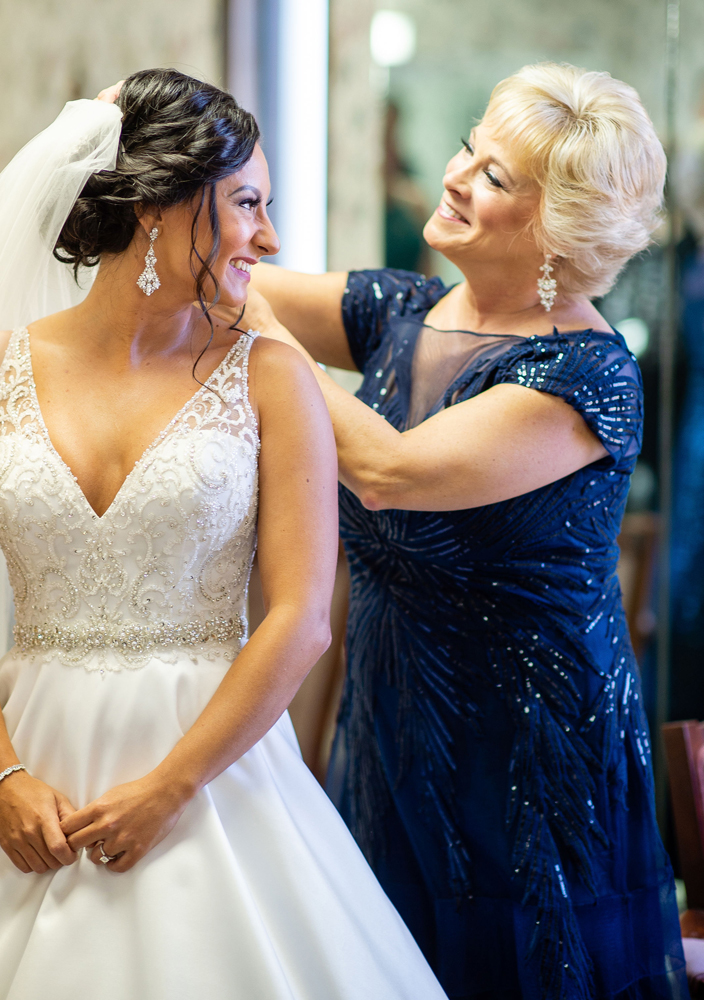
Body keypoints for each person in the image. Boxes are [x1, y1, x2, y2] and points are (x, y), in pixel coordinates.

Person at [0, 69, 446, 1000]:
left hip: (213, 769)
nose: (269, 237)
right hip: (24, 760)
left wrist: (171, 788)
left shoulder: (272, 377)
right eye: (246, 203)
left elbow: (301, 617)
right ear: (159, 204)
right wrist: (0, 779)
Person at [243, 63, 687, 999]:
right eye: (467, 149)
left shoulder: (582, 374)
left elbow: (389, 473)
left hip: (528, 758)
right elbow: (242, 284)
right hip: (390, 730)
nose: (452, 177)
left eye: (493, 177)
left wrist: (244, 308)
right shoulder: (399, 312)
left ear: (557, 231)